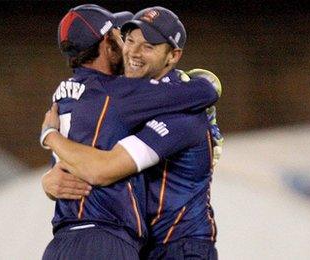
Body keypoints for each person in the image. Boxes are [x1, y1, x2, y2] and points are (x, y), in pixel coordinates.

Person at [40, 4, 221, 260]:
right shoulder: (120, 96)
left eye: (148, 46)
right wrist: (49, 182)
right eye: (129, 40)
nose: (133, 51)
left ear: (173, 56)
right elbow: (207, 89)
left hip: (179, 246)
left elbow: (101, 169)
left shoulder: (181, 110)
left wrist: (51, 137)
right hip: (130, 245)